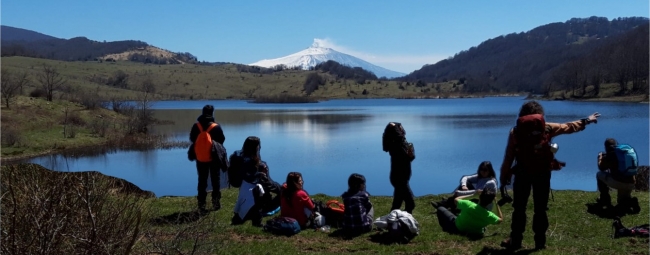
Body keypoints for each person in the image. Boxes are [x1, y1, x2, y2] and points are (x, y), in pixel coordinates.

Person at [499, 100, 600, 250]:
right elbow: (568, 127)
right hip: (542, 172)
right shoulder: (546, 128)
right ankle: (540, 242)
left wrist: (503, 177)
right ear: (540, 114)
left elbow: (509, 156)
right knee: (540, 208)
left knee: (519, 208)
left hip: (522, 173)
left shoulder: (515, 132)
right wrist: (586, 120)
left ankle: (516, 241)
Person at [232, 136, 281, 226]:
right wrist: (282, 189)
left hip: (244, 195)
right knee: (281, 193)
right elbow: (268, 183)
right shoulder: (260, 166)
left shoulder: (237, 159)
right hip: (259, 200)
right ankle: (257, 220)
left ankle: (250, 217)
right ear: (257, 148)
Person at [189, 104, 226, 212]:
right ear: (212, 113)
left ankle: (201, 204)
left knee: (202, 180)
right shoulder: (216, 126)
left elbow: (192, 139)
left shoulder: (196, 126)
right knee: (215, 180)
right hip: (214, 157)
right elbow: (222, 140)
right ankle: (216, 203)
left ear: (202, 112)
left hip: (200, 157)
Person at [432, 189, 503, 237]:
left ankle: (446, 228)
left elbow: (456, 199)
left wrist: (473, 195)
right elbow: (500, 220)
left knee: (440, 209)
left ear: (480, 197)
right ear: (490, 202)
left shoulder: (469, 204)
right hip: (475, 234)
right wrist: (496, 203)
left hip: (458, 228)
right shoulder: (489, 215)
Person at [433, 161, 498, 212]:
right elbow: (465, 177)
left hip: (483, 204)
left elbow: (478, 193)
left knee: (460, 195)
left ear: (490, 171)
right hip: (477, 197)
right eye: (481, 169)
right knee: (466, 183)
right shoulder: (480, 177)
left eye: (485, 170)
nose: (483, 171)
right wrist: (464, 185)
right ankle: (451, 204)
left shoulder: (490, 182)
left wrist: (459, 193)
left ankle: (444, 204)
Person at [596, 138, 639, 213]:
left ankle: (605, 200)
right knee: (621, 203)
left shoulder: (611, 154)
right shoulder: (623, 154)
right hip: (631, 182)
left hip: (619, 182)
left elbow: (601, 168)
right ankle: (632, 201)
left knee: (599, 175)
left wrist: (600, 158)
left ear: (606, 147)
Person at [382, 122, 416, 214]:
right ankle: (405, 222)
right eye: (400, 128)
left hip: (401, 177)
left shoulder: (402, 143)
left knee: (397, 203)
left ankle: (393, 221)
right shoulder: (395, 144)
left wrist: (411, 154)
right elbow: (405, 156)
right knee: (410, 204)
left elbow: (410, 158)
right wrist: (392, 126)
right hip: (399, 178)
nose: (402, 128)